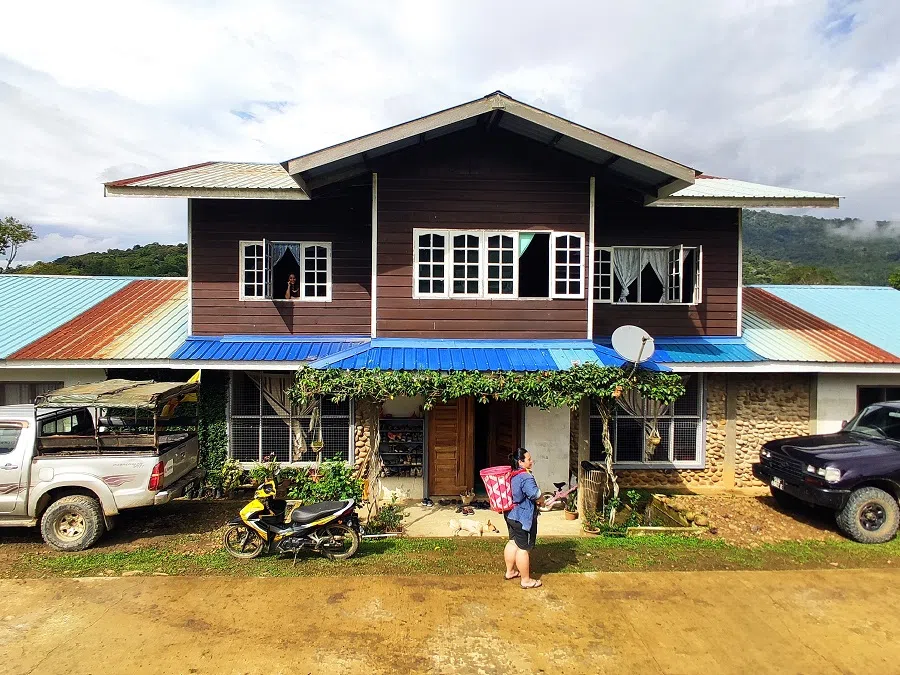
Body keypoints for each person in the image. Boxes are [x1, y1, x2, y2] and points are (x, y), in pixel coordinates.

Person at [504, 447, 543, 589]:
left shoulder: (511, 474)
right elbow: (534, 494)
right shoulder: (525, 476)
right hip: (522, 517)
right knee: (523, 548)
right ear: (521, 462)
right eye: (528, 459)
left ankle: (510, 571)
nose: (532, 461)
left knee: (513, 542)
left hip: (510, 515)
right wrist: (542, 497)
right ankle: (526, 580)